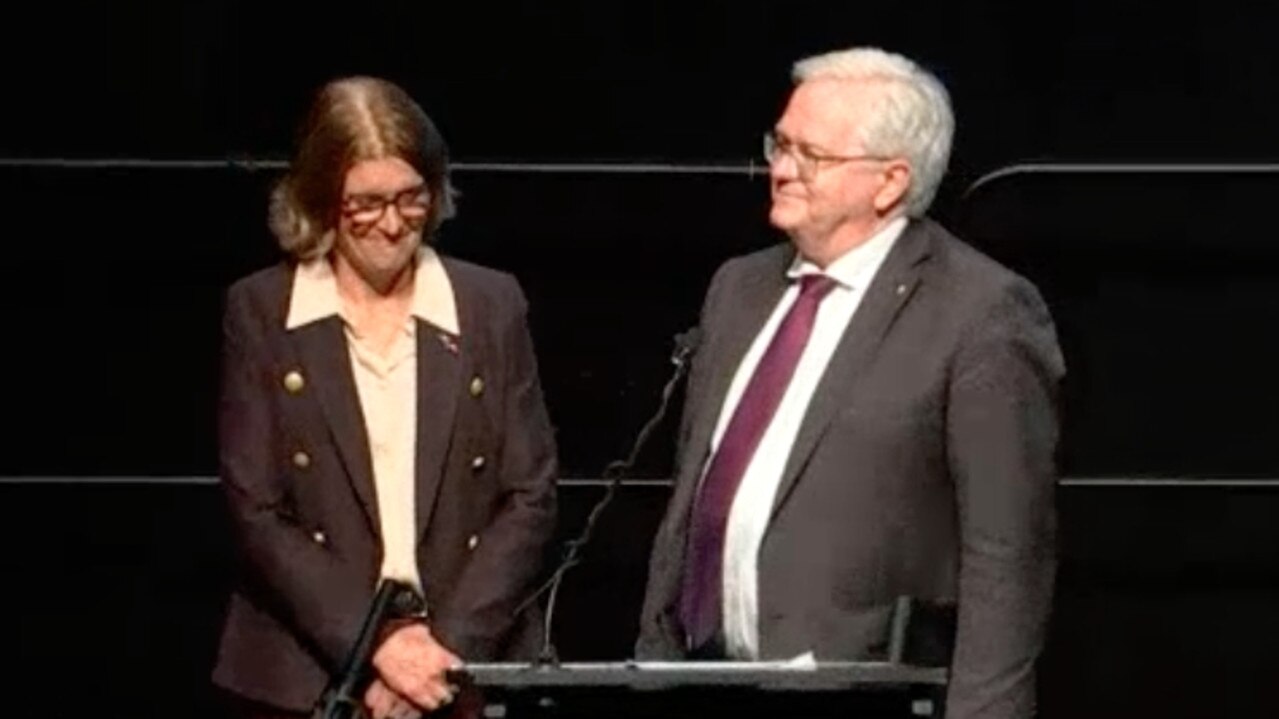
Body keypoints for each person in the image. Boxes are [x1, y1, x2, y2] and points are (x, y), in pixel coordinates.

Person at [636, 47, 1063, 718]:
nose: (780, 168)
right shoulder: (738, 288)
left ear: (889, 181)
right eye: (780, 143)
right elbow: (693, 499)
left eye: (812, 155)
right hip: (702, 683)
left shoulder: (981, 311)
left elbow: (1007, 554)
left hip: (862, 694)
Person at [213, 76, 558, 719]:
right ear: (320, 199)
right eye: (365, 203)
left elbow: (530, 494)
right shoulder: (261, 311)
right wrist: (376, 647)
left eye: (410, 198)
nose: (392, 223)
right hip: (309, 675)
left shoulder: (490, 305)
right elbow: (256, 510)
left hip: (462, 666)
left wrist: (435, 656)